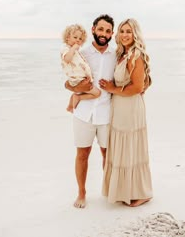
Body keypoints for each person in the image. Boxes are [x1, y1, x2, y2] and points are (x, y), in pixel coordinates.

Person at [99, 18, 153, 207]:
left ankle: (142, 192)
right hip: (120, 106)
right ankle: (123, 190)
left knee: (131, 147)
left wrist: (113, 89)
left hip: (130, 107)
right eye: (122, 31)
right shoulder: (122, 54)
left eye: (129, 31)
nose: (125, 35)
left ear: (135, 34)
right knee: (122, 146)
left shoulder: (135, 55)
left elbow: (138, 87)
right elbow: (144, 83)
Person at [65, 14, 116, 208]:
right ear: (93, 29)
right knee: (82, 154)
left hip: (106, 113)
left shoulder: (115, 54)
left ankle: (109, 189)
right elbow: (68, 81)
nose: (104, 34)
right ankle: (81, 193)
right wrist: (75, 90)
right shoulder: (81, 53)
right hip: (83, 112)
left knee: (107, 155)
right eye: (101, 29)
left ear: (112, 34)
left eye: (108, 31)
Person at [61, 24, 101, 113]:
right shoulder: (66, 49)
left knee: (83, 91)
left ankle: (71, 105)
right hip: (78, 80)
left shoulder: (74, 51)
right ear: (67, 37)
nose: (78, 40)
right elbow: (67, 59)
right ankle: (78, 98)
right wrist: (74, 48)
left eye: (80, 39)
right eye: (75, 37)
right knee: (97, 93)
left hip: (80, 79)